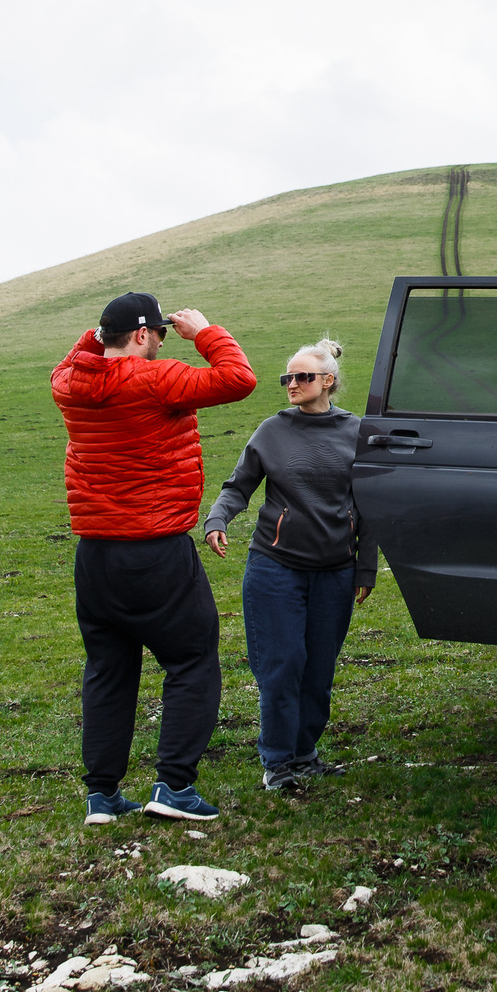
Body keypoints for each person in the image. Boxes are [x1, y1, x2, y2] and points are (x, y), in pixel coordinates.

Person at [51, 292, 257, 824]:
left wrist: (99, 334)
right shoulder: (157, 378)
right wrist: (204, 332)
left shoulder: (67, 383)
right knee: (191, 662)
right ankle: (174, 786)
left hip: (94, 554)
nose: (163, 343)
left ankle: (102, 795)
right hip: (155, 548)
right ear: (143, 334)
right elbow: (239, 379)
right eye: (160, 334)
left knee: (107, 670)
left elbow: (78, 358)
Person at [202, 338, 377, 793]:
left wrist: (366, 568)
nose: (292, 384)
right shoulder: (271, 431)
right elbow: (238, 486)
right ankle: (277, 762)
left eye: (302, 377)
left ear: (328, 381)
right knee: (282, 665)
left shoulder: (357, 432)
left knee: (318, 671)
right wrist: (217, 519)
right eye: (287, 378)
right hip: (275, 567)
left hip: (335, 571)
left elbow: (370, 505)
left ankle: (305, 753)